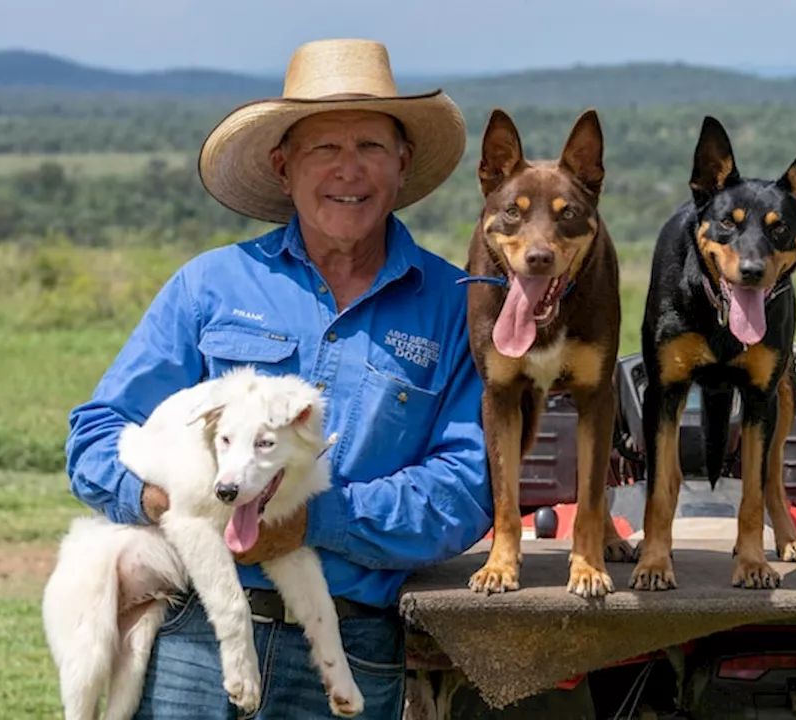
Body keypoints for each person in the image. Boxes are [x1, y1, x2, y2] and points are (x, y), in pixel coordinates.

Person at [64, 38, 493, 719]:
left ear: (403, 163)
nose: (348, 171)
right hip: (194, 633)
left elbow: (467, 488)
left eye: (371, 148)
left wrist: (313, 520)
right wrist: (163, 499)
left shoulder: (453, 305)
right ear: (283, 165)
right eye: (324, 148)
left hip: (350, 641)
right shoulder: (209, 285)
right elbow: (96, 434)